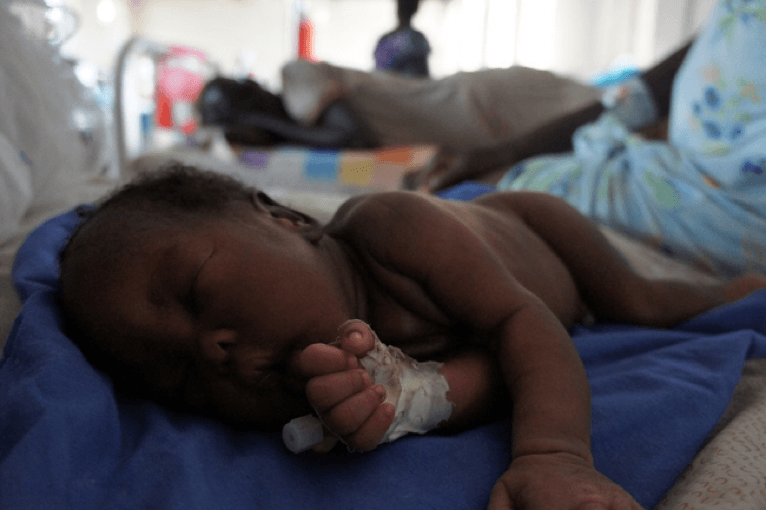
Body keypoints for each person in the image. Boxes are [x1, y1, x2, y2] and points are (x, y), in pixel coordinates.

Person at [58, 163, 766, 510]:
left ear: (285, 220)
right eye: (180, 377)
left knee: (646, 302)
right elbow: (490, 374)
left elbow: (525, 326)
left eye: (194, 290)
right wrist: (406, 404)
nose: (209, 350)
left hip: (535, 230)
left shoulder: (392, 230)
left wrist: (553, 454)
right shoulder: (314, 396)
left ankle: (740, 286)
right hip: (495, 318)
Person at [409, 0, 766, 277]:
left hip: (725, 211)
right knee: (470, 195)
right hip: (676, 171)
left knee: (487, 206)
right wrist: (509, 150)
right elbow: (657, 85)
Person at [374, 0, 431, 78]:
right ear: (416, 9)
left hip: (393, 83)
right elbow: (424, 77)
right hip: (390, 83)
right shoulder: (418, 39)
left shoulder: (417, 39)